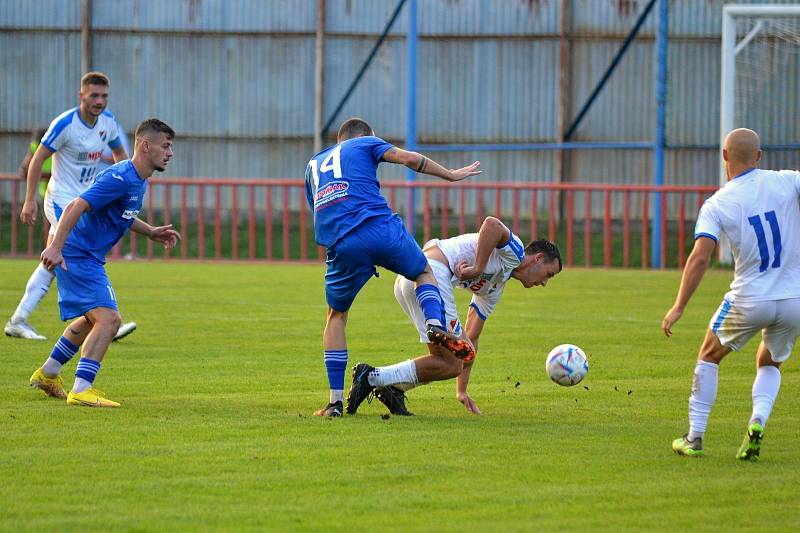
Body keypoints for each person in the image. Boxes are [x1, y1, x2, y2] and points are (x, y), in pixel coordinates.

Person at [304, 117, 482, 417]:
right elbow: (409, 158)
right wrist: (450, 175)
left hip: (340, 242)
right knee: (423, 271)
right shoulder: (366, 142)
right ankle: (436, 325)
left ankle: (334, 403)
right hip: (377, 226)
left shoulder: (312, 165)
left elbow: (318, 208)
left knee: (336, 316)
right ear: (365, 136)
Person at [663, 128, 800, 461]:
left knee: (709, 355)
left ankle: (694, 437)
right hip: (794, 299)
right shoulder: (788, 180)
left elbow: (700, 256)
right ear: (759, 156)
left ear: (724, 156)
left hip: (749, 298)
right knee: (770, 362)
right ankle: (757, 421)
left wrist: (679, 305)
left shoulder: (718, 203)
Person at [29, 118, 179, 408]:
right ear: (146, 146)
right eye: (166, 146)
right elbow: (76, 205)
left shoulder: (137, 178)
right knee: (109, 320)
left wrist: (150, 232)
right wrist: (56, 247)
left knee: (91, 319)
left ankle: (48, 373)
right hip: (76, 252)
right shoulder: (120, 177)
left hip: (86, 255)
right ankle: (82, 389)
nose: (170, 153)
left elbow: (121, 215)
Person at [345, 216, 562, 416]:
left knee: (449, 360)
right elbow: (492, 224)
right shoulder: (514, 254)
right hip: (431, 274)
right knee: (451, 363)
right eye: (549, 275)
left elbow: (472, 337)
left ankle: (392, 387)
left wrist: (462, 390)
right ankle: (374, 377)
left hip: (411, 280)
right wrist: (477, 267)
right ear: (538, 258)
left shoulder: (495, 289)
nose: (544, 283)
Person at [6, 72, 138, 342]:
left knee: (53, 260)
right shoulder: (65, 124)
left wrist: (122, 185)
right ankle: (103, 318)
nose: (99, 101)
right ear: (81, 95)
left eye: (104, 96)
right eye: (94, 95)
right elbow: (37, 159)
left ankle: (19, 320)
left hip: (85, 201)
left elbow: (121, 156)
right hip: (60, 200)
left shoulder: (108, 123)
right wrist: (30, 199)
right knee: (79, 252)